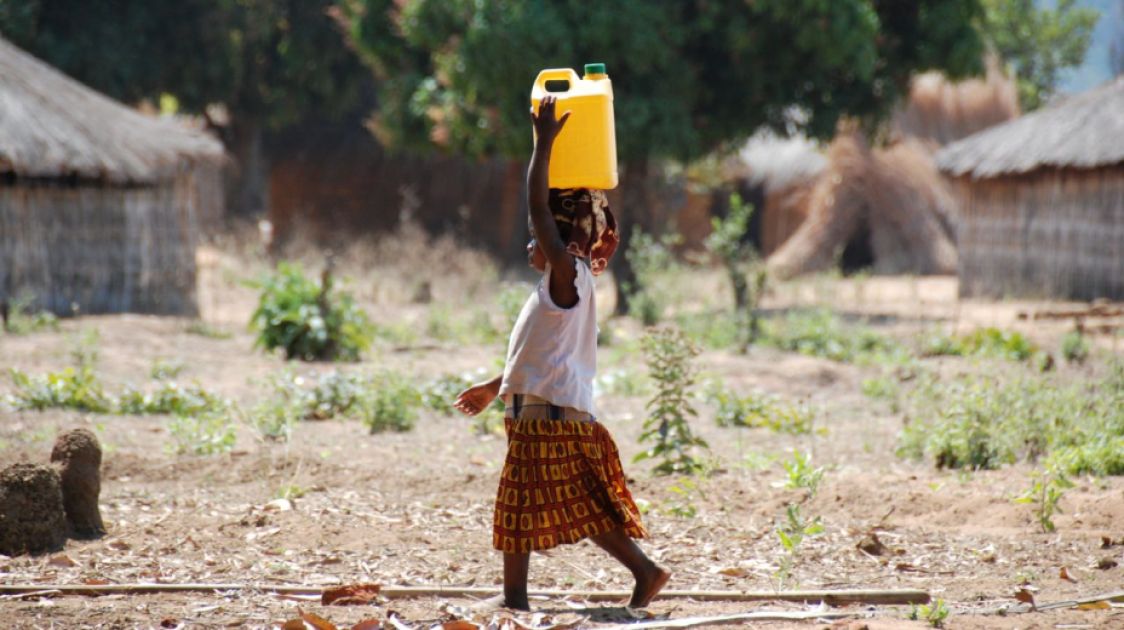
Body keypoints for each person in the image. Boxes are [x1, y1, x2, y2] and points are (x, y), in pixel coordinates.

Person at [454, 95, 670, 611]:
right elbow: (541, 354)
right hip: (552, 411)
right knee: (575, 506)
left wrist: (544, 143)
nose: (531, 243)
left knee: (518, 506)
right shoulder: (566, 285)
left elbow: (537, 209)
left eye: (539, 236)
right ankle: (644, 571)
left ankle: (515, 600)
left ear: (561, 235)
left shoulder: (567, 274)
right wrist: (494, 388)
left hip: (548, 419)